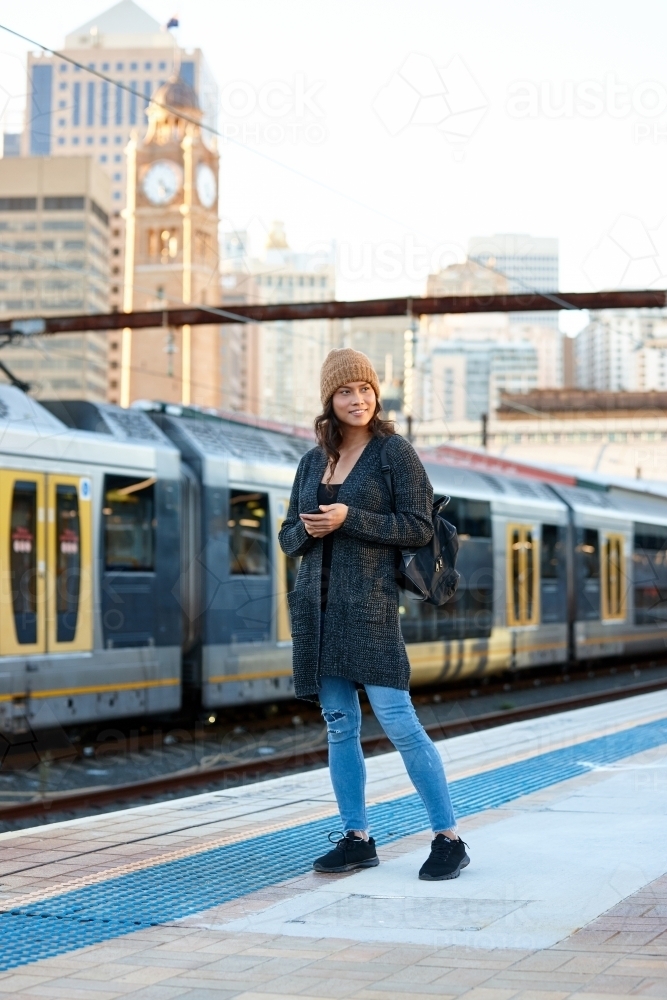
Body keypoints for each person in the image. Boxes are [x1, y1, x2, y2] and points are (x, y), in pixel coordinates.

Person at [278, 348, 469, 881]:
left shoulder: (394, 454)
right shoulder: (312, 461)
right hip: (315, 613)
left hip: (369, 609)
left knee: (400, 724)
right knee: (339, 727)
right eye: (345, 391)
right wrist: (308, 530)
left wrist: (348, 518)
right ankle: (356, 837)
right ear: (328, 401)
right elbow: (287, 535)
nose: (356, 399)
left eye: (364, 389)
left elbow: (417, 527)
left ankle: (448, 837)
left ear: (376, 394)